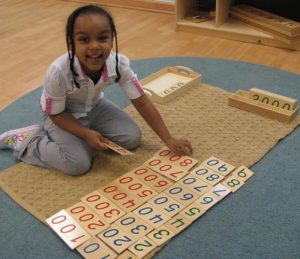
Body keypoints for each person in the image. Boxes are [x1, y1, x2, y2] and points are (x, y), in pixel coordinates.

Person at [0, 5, 192, 176]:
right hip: (62, 114)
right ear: (71, 43)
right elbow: (55, 113)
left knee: (132, 138)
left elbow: (142, 101)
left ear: (112, 39)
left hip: (95, 105)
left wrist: (167, 138)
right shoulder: (58, 72)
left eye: (102, 38)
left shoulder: (119, 63)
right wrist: (84, 133)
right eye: (84, 40)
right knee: (77, 164)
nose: (94, 47)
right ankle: (29, 139)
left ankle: (87, 133)